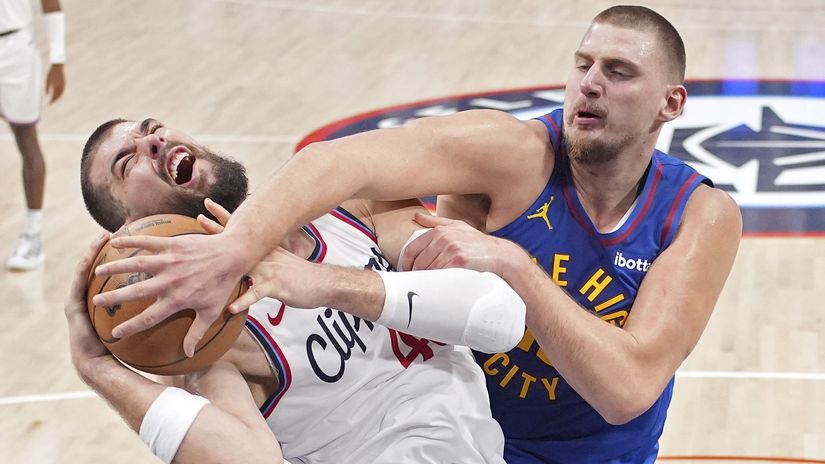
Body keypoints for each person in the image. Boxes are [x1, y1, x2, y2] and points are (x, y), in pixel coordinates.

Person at [92, 5, 743, 462]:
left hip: (589, 453)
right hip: (487, 437)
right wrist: (103, 363)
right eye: (580, 64)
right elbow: (337, 158)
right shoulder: (508, 151)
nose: (589, 83)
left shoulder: (696, 213)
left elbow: (622, 388)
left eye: (618, 71)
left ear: (669, 103)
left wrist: (509, 263)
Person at [70, 117, 527, 463]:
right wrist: (96, 369)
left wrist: (322, 284)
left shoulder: (345, 205)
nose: (153, 141)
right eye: (128, 162)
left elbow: (500, 318)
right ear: (132, 229)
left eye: (153, 129)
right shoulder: (201, 334)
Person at [2, 0, 66, 270]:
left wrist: (58, 60)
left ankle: (33, 236)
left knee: (27, 141)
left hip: (16, 52)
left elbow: (50, 5)